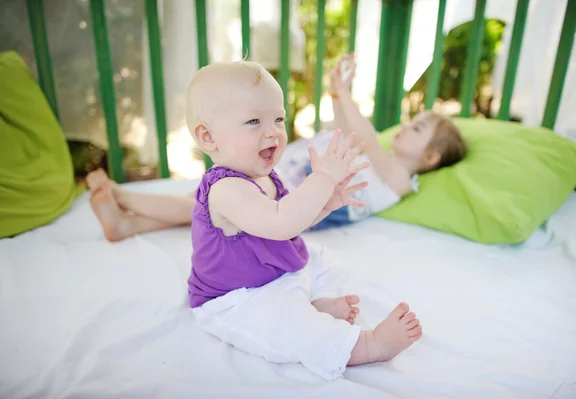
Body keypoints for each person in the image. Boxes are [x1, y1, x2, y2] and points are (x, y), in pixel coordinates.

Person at [183, 59, 423, 380]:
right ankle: (365, 345)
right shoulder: (225, 188)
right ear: (209, 137)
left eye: (279, 119)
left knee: (323, 258)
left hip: (276, 274)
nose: (273, 132)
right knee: (285, 323)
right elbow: (282, 222)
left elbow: (291, 224)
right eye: (254, 120)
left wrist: (326, 204)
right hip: (238, 297)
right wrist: (322, 178)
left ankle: (315, 302)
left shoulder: (266, 176)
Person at [86, 54, 467, 241]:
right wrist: (335, 90)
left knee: (201, 205)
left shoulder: (399, 178)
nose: (405, 125)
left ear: (430, 157)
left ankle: (124, 198)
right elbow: (349, 126)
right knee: (201, 203)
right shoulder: (377, 158)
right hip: (291, 179)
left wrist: (345, 91)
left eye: (417, 128)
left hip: (303, 201)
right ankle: (126, 223)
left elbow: (363, 133)